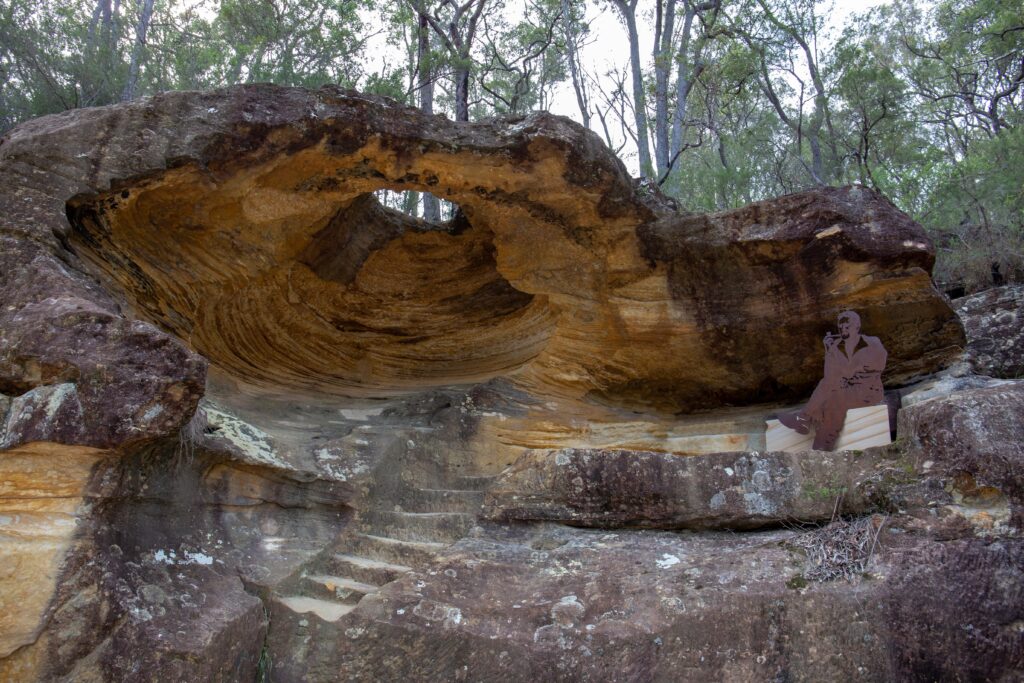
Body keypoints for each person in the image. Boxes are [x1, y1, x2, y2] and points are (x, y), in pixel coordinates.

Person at [778, 310, 887, 450]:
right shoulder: (836, 346)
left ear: (857, 326)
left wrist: (845, 368)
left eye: (847, 326)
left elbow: (878, 364)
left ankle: (806, 421)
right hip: (847, 390)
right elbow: (830, 374)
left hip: (868, 391)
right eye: (840, 327)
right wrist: (829, 350)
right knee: (831, 391)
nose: (843, 329)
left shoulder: (871, 342)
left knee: (832, 395)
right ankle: (818, 442)